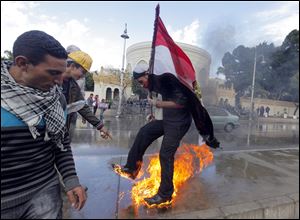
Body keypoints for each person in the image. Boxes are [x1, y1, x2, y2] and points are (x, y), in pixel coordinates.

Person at [1, 30, 86, 219]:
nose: (59, 80)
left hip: (44, 194)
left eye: (61, 73)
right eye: (53, 73)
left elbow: (61, 144)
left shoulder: (57, 100)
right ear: (22, 63)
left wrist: (71, 179)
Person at [112, 63, 219, 206]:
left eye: (141, 81)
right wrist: (156, 117)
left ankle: (165, 194)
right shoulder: (156, 83)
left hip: (179, 124)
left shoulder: (168, 80)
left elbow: (181, 102)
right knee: (145, 132)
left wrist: (158, 103)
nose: (142, 85)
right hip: (169, 121)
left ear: (147, 74)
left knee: (165, 154)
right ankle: (132, 169)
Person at [61, 51, 110, 140]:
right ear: (72, 66)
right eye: (82, 72)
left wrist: (100, 126)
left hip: (61, 132)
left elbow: (82, 106)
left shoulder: (73, 86)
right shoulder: (50, 79)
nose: (82, 76)